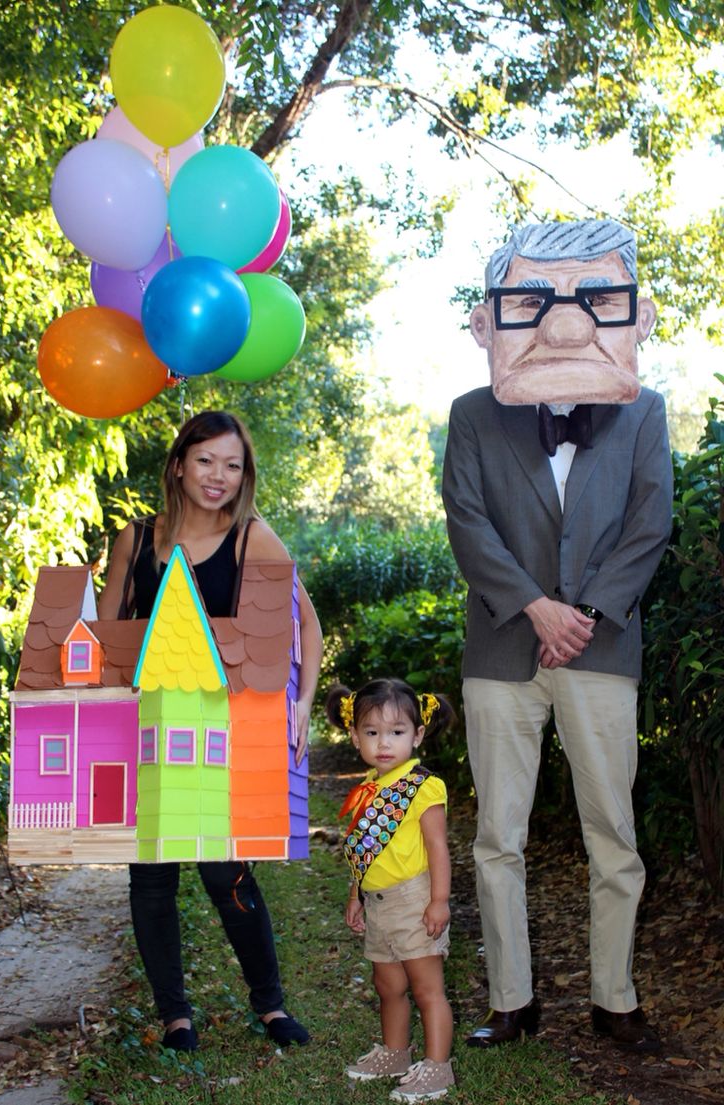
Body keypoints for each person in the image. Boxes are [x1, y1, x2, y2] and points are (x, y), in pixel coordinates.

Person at [442, 219, 673, 1053]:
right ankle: (513, 999)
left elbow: (652, 523)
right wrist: (536, 607)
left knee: (613, 833)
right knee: (498, 835)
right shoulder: (472, 415)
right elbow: (468, 524)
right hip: (502, 650)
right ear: (493, 319)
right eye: (534, 298)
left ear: (630, 317)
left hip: (603, 650)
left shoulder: (644, 412)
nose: (565, 318)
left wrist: (586, 614)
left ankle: (616, 999)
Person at [98, 409, 323, 1052]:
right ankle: (176, 1016)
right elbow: (109, 632)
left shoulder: (253, 538)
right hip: (147, 726)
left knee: (227, 873)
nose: (218, 476)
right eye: (205, 461)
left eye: (232, 464)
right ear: (177, 465)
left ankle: (271, 1006)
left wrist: (301, 701)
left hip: (221, 729)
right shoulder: (136, 540)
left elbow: (306, 624)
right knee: (152, 876)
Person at [325, 678, 456, 1102]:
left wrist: (439, 901)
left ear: (417, 735)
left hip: (415, 901)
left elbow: (438, 847)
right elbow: (365, 848)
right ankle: (396, 1053)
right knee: (388, 985)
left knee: (426, 988)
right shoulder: (369, 787)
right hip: (378, 904)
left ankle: (438, 1068)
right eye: (372, 732)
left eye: (397, 732)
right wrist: (354, 895)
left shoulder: (423, 786)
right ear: (355, 737)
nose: (385, 743)